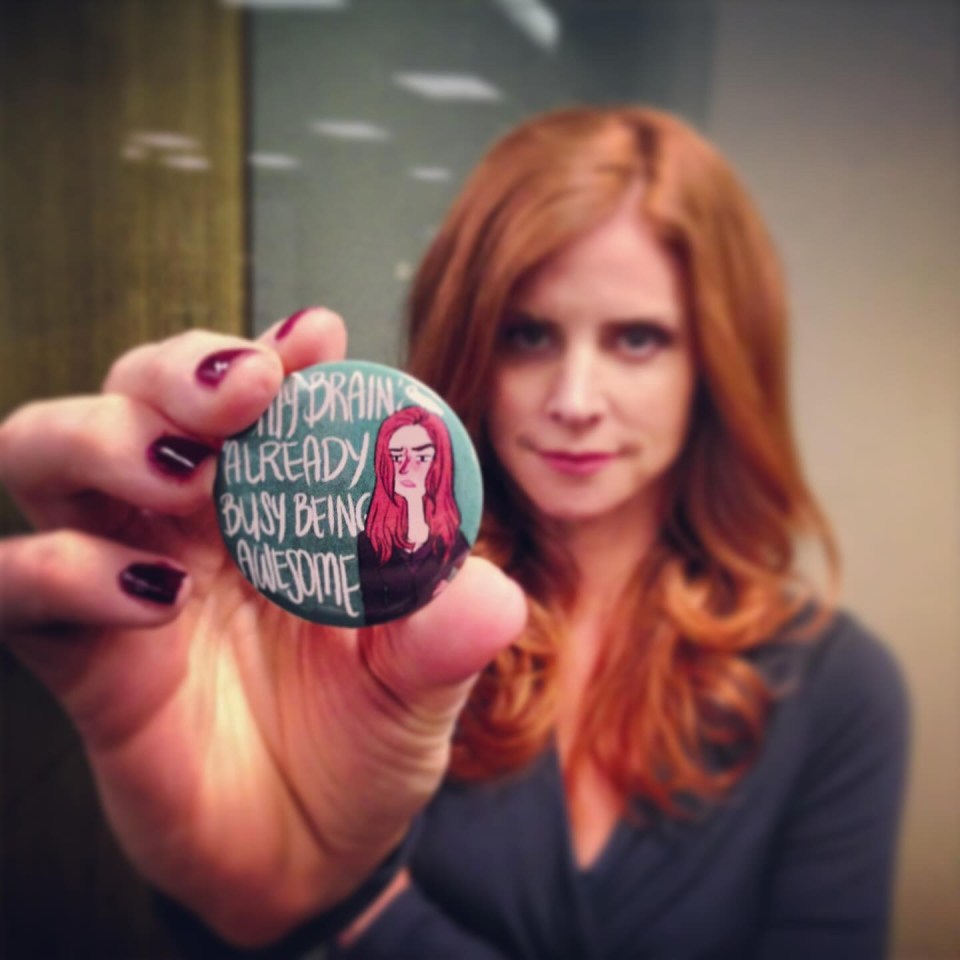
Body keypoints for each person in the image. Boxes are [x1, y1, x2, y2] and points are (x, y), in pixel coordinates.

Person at [0, 106, 908, 959]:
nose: (577, 403)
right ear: (469, 344)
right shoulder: (359, 628)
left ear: (716, 362)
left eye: (637, 339)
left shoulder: (837, 689)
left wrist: (357, 915)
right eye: (527, 334)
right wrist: (268, 908)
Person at [357, 406, 470, 625]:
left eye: (421, 456)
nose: (406, 468)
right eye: (397, 456)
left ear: (439, 463)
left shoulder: (456, 543)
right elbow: (370, 614)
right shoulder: (369, 543)